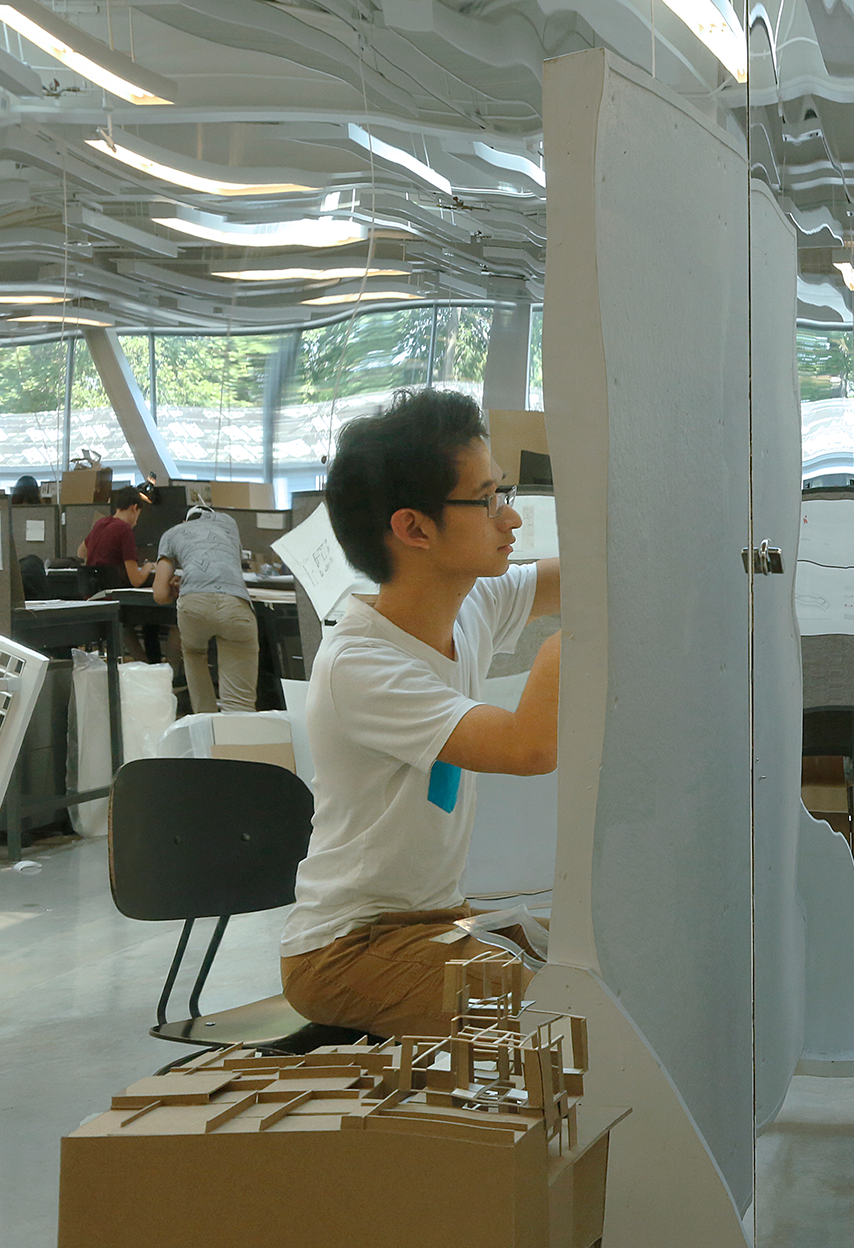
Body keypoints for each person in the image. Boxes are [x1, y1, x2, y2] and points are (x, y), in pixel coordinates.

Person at [279, 388, 561, 1037]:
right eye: (487, 499)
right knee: (554, 1012)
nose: (510, 519)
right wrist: (581, 640)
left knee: (581, 960)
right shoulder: (362, 666)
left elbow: (592, 576)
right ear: (413, 528)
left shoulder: (472, 604)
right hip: (348, 948)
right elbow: (527, 748)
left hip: (435, 918)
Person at [153, 505, 260, 713]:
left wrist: (178, 589)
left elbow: (159, 594)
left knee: (194, 653)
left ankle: (205, 720)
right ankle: (239, 737)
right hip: (235, 604)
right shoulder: (229, 525)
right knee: (240, 705)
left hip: (194, 605)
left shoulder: (173, 533)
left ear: (186, 522)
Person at [79, 486, 154, 591]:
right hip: (113, 596)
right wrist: (148, 566)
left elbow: (81, 552)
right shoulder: (125, 529)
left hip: (92, 594)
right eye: (138, 515)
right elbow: (136, 580)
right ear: (134, 508)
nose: (136, 522)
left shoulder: (100, 523)